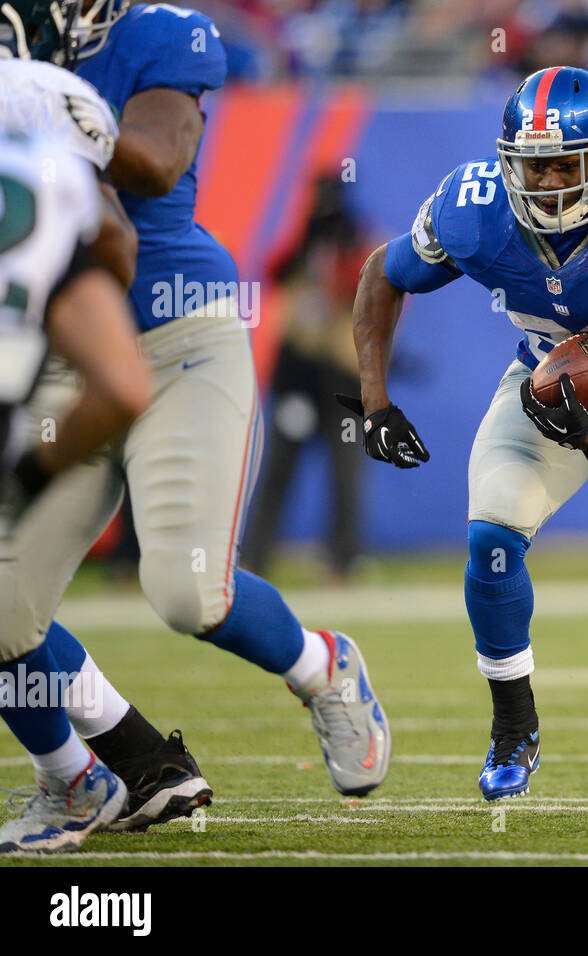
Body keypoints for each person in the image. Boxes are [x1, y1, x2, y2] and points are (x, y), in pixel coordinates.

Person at [0, 0, 391, 820]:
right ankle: (75, 783)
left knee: (186, 593)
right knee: (1, 613)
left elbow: (155, 167)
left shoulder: (160, 33)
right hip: (67, 359)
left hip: (179, 338)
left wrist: (72, 130)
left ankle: (322, 666)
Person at [349, 65, 588, 800]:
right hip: (541, 387)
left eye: (565, 164)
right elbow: (381, 274)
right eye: (533, 165)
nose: (549, 182)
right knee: (491, 535)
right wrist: (374, 403)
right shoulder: (473, 208)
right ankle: (513, 727)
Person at [0, 0, 214, 837]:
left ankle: (86, 776)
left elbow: (137, 201)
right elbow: (115, 252)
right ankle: (135, 762)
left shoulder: (56, 121)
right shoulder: (54, 151)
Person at [0, 126, 153, 851]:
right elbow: (122, 383)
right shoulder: (44, 180)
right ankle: (142, 760)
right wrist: (28, 472)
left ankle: (74, 778)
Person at [242, 176, 371, 581]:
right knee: (279, 470)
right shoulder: (304, 244)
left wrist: (346, 241)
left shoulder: (359, 239)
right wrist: (307, 237)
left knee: (345, 473)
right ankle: (255, 558)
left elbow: (371, 286)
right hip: (297, 376)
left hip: (342, 379)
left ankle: (342, 561)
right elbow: (274, 273)